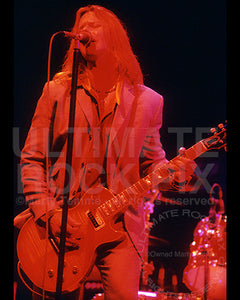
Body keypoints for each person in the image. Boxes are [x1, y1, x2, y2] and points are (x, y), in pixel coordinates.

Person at [20, 5, 196, 300]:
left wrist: (175, 175)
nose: (84, 31)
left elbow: (152, 164)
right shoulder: (57, 92)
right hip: (63, 223)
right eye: (81, 26)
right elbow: (32, 159)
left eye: (94, 25)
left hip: (120, 227)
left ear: (114, 37)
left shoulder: (148, 101)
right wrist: (48, 214)